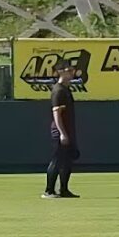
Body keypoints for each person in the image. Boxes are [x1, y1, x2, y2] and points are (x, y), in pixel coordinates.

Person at [43, 59, 80, 199]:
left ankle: (64, 189)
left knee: (67, 161)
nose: (72, 73)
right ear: (60, 72)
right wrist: (62, 133)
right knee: (57, 160)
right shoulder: (58, 91)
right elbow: (56, 113)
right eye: (69, 70)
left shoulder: (66, 90)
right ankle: (49, 190)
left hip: (68, 130)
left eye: (72, 70)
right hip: (60, 131)